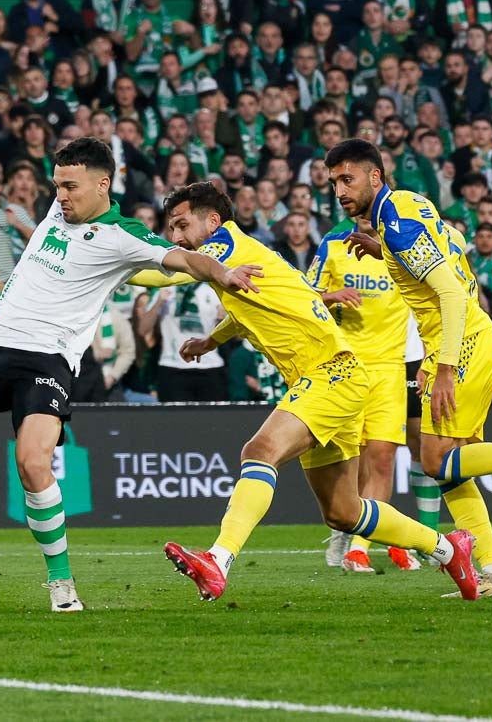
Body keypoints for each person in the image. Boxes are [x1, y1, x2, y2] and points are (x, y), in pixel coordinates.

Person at [0, 138, 254, 615]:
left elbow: (186, 259)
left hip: (47, 359)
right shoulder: (57, 213)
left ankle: (61, 583)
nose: (60, 196)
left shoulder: (126, 237)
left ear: (103, 185)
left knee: (32, 463)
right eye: (56, 185)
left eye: (70, 186)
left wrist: (223, 273)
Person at [139, 180, 472, 601]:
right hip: (340, 377)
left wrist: (111, 261)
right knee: (343, 512)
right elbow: (260, 306)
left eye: (182, 225)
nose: (176, 237)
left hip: (331, 374)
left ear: (213, 221)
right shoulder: (245, 255)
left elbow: (164, 273)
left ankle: (218, 560)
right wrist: (212, 340)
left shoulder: (222, 247)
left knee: (259, 452)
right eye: (171, 229)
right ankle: (449, 549)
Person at [327, 138, 492, 598]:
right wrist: (383, 250)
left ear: (375, 176)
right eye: (332, 182)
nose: (338, 190)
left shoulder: (397, 224)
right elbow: (457, 242)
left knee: (433, 460)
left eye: (346, 179)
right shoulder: (410, 202)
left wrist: (446, 365)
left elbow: (449, 293)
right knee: (452, 473)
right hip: (466, 338)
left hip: (460, 342)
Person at [308, 216, 421, 572]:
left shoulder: (401, 244)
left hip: (391, 366)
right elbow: (302, 296)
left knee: (383, 458)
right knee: (352, 462)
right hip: (347, 365)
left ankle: (359, 547)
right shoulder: (334, 243)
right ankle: (346, 524)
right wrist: (330, 296)